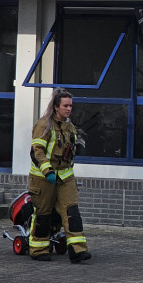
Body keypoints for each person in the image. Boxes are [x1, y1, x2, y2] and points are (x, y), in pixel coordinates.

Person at [28, 88, 91, 263]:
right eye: (66, 106)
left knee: (72, 212)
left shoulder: (70, 126)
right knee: (43, 214)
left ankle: (78, 250)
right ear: (56, 107)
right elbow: (36, 152)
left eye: (71, 106)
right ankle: (39, 249)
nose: (69, 109)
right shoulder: (44, 125)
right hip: (43, 179)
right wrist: (47, 171)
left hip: (65, 177)